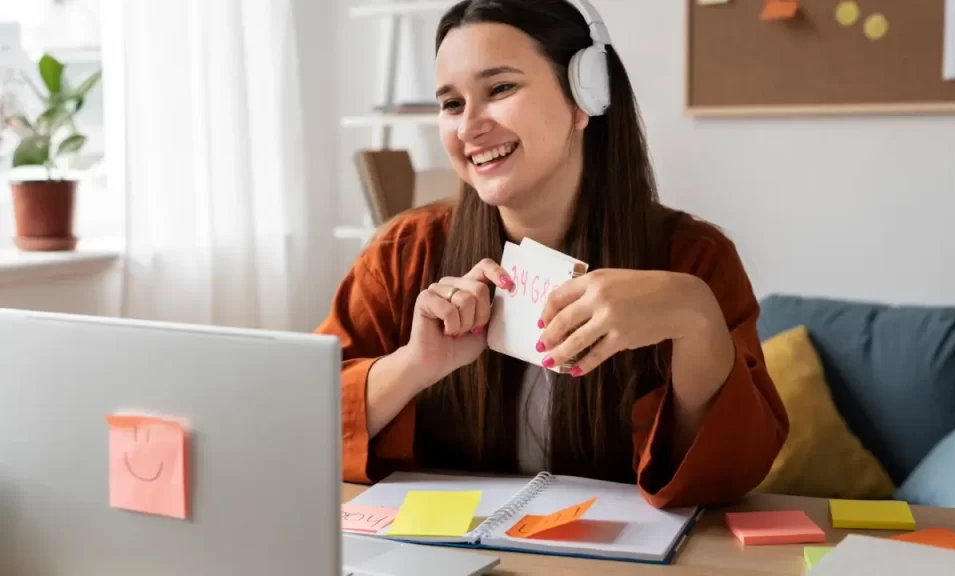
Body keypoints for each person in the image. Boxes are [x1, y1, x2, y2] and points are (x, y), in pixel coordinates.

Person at [317, 0, 788, 509]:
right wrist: (412, 365)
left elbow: (728, 475)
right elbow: (295, 424)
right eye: (452, 104)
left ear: (586, 95)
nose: (468, 126)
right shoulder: (401, 253)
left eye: (499, 89)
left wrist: (697, 320)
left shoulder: (695, 259)